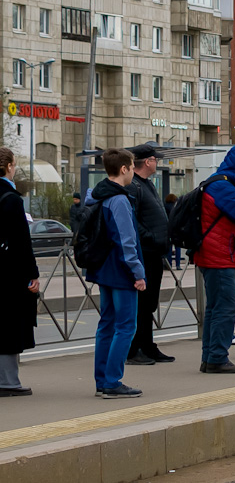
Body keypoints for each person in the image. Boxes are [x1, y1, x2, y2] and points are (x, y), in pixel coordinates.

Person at [85, 148, 148, 398]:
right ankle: (113, 381)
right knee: (126, 327)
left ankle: (102, 380)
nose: (133, 171)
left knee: (107, 325)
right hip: (121, 271)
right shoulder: (119, 200)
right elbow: (126, 241)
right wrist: (138, 273)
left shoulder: (98, 195)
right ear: (124, 169)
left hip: (103, 268)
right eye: (132, 167)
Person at [196, 145, 235, 374]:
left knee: (215, 308)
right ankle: (217, 358)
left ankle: (209, 357)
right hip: (220, 256)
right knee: (225, 308)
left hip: (217, 255)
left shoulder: (218, 183)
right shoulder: (223, 186)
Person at [124, 144, 173, 365]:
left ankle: (148, 345)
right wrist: (151, 238)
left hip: (154, 253)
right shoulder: (134, 185)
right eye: (155, 159)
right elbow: (132, 221)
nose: (157, 162)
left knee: (150, 303)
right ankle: (135, 349)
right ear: (147, 162)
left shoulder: (147, 184)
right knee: (142, 304)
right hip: (145, 252)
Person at [0, 147, 40, 396]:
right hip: (9, 274)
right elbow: (23, 243)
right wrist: (32, 274)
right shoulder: (12, 200)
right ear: (9, 166)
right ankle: (8, 381)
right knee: (9, 324)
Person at [163, 194, 181, 268]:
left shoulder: (165, 206)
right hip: (176, 228)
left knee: (169, 248)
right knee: (178, 247)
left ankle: (169, 264)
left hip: (168, 229)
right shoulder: (177, 206)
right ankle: (178, 264)